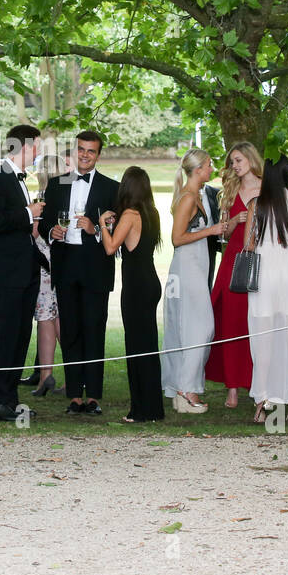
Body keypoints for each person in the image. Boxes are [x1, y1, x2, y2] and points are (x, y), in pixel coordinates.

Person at [41, 130, 118, 415]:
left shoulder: (112, 187)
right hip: (66, 265)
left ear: (98, 155)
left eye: (91, 151)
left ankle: (94, 395)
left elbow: (117, 230)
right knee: (71, 331)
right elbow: (46, 220)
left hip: (96, 268)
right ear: (75, 152)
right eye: (81, 150)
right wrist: (53, 230)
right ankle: (74, 395)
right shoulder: (56, 184)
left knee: (94, 330)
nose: (85, 155)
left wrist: (94, 229)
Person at [0, 123, 44, 422]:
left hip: (24, 270)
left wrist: (30, 222)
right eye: (37, 147)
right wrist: (30, 213)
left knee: (20, 336)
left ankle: (10, 397)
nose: (39, 153)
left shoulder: (17, 177)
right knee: (4, 337)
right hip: (6, 273)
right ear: (23, 147)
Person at [246, 155, 288, 424]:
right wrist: (287, 255)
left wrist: (269, 252)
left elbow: (248, 246)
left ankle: (262, 403)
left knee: (262, 338)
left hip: (264, 273)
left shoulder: (256, 205)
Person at [161, 149, 228, 414]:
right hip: (187, 269)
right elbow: (177, 238)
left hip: (198, 267)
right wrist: (211, 230)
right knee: (200, 329)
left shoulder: (200, 195)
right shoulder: (187, 198)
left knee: (194, 329)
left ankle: (183, 390)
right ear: (198, 168)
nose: (212, 169)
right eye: (209, 165)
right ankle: (187, 391)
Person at [99, 166, 164, 423]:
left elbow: (110, 247)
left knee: (136, 347)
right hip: (150, 281)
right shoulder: (151, 212)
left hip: (136, 285)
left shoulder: (130, 213)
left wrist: (103, 224)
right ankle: (152, 407)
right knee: (147, 346)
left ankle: (141, 410)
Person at [205, 141, 262, 408]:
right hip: (233, 260)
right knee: (230, 323)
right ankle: (232, 388)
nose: (235, 166)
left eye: (238, 161)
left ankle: (257, 384)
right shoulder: (230, 191)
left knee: (255, 325)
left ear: (251, 159)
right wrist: (236, 221)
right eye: (233, 163)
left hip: (261, 260)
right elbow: (223, 234)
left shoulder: (267, 188)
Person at [28, 154, 64, 398]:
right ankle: (48, 377)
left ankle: (45, 376)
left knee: (47, 320)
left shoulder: (44, 197)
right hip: (56, 262)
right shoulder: (59, 197)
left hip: (45, 263)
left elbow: (34, 231)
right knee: (54, 319)